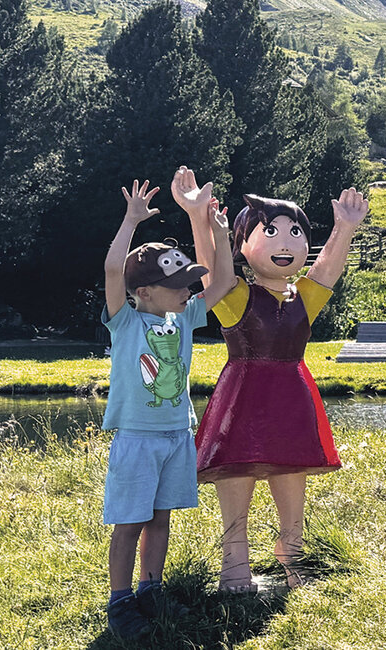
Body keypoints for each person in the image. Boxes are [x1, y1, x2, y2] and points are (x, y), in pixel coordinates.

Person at [175, 167, 367, 592]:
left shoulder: (304, 296)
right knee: (236, 479)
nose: (286, 243)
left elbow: (327, 270)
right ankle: (234, 568)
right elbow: (211, 273)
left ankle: (292, 552)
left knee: (291, 472)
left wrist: (345, 230)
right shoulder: (236, 294)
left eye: (295, 232)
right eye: (272, 231)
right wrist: (196, 218)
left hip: (291, 400)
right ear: (243, 245)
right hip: (241, 400)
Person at [99, 179, 225, 637]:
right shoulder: (125, 319)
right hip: (136, 438)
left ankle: (150, 591)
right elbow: (115, 270)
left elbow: (220, 279)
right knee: (130, 523)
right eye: (176, 285)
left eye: (187, 284)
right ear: (145, 291)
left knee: (159, 518)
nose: (188, 292)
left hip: (176, 435)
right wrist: (131, 220)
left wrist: (211, 226)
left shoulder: (185, 316)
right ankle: (120, 604)